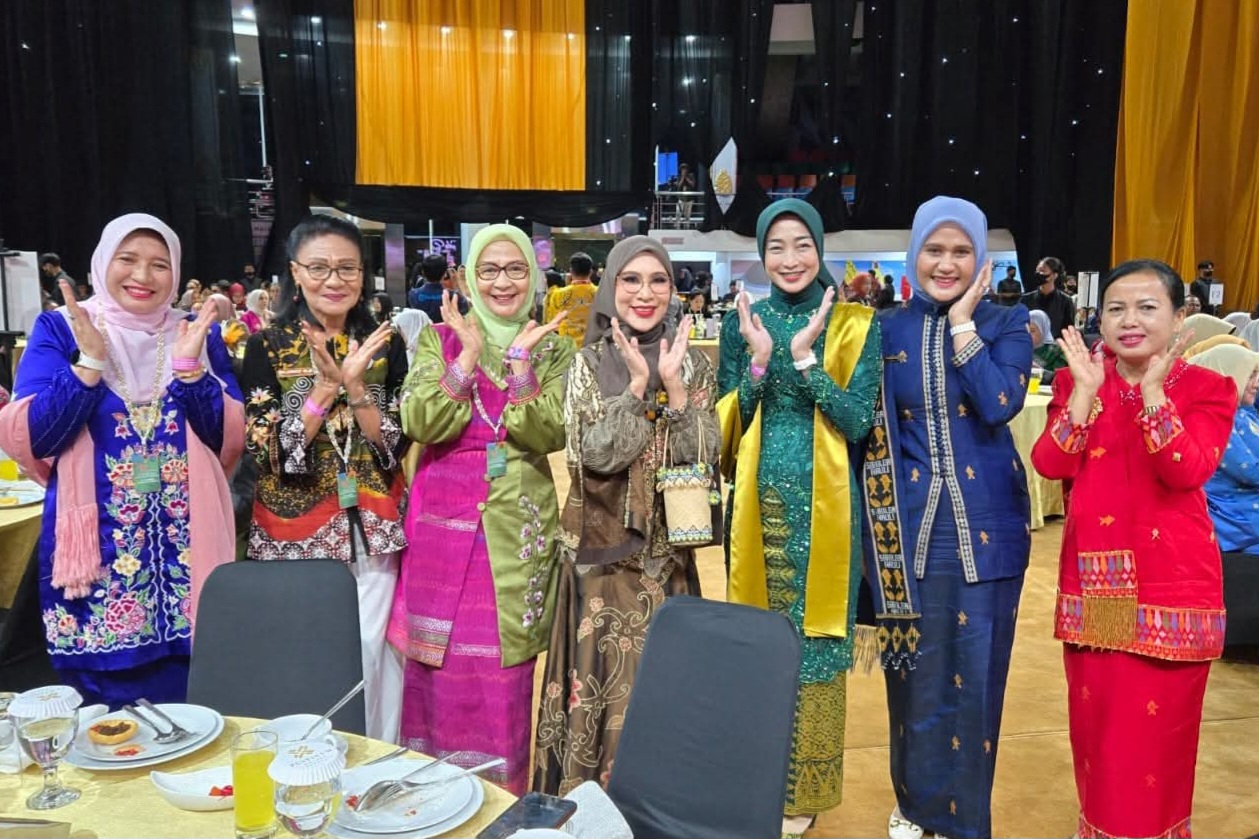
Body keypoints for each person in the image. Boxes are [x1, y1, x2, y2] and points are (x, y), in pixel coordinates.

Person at [0, 213, 243, 707]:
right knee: (110, 718)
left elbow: (225, 440)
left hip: (189, 545)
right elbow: (37, 437)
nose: (142, 276)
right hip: (100, 554)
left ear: (176, 273)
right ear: (102, 262)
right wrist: (87, 365)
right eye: (127, 260)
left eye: (159, 265)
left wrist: (191, 372)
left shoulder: (195, 332)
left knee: (198, 700)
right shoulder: (63, 329)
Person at [1031, 259, 1234, 839]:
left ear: (1179, 317)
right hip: (1097, 592)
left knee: (1159, 747)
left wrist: (1152, 395)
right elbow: (1050, 463)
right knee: (1100, 740)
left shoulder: (1208, 389)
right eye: (1116, 309)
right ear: (1099, 318)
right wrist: (1082, 395)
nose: (1130, 321)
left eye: (1148, 308)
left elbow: (1186, 470)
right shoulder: (1077, 381)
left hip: (1175, 589)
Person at [862, 197, 1032, 839]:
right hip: (906, 534)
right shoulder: (884, 329)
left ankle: (965, 823)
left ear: (981, 258)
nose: (946, 263)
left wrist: (963, 326)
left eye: (962, 251)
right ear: (915, 253)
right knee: (914, 682)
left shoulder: (1007, 323)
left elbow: (1000, 402)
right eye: (934, 249)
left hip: (989, 534)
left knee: (978, 680)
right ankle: (914, 809)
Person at [390, 225, 573, 794]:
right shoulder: (439, 338)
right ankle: (432, 804)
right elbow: (422, 421)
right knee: (436, 669)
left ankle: (499, 804)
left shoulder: (554, 347)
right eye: (488, 270)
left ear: (534, 276)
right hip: (441, 529)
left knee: (504, 675)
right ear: (468, 278)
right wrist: (466, 359)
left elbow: (548, 432)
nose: (502, 282)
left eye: (515, 269)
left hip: (516, 530)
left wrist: (520, 366)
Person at [716, 199, 881, 835]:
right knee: (758, 638)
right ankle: (754, 776)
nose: (790, 259)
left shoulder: (856, 324)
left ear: (820, 248)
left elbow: (857, 421)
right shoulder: (743, 322)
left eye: (802, 244)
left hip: (827, 508)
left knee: (815, 645)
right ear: (762, 254)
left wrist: (808, 360)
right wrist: (759, 361)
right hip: (755, 503)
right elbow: (728, 423)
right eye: (776, 247)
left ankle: (803, 790)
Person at [534, 235, 718, 796]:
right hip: (604, 565)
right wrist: (637, 391)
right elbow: (590, 456)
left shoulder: (691, 363)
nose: (645, 293)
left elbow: (705, 457)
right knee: (603, 691)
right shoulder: (588, 364)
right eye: (631, 280)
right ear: (611, 287)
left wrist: (677, 391)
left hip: (670, 561)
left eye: (658, 280)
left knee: (663, 691)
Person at [240, 214, 408, 742]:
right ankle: (304, 763)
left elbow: (394, 445)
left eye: (347, 268)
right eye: (319, 268)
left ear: (363, 274)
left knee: (374, 653)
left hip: (373, 525)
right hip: (292, 531)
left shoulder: (383, 344)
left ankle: (375, 758)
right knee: (304, 655)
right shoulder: (267, 346)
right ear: (295, 272)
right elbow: (268, 449)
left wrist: (356, 389)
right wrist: (323, 389)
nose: (334, 280)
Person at [1191, 344, 1259, 555]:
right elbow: (1251, 472)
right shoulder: (1217, 419)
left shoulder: (1243, 412)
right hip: (1238, 521)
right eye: (1251, 375)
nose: (1257, 383)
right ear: (1229, 373)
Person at [544, 251, 597, 345]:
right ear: (591, 272)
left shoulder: (557, 294)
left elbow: (551, 321)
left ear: (571, 271)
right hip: (593, 345)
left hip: (567, 346)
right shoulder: (601, 293)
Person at [1021, 256, 1076, 339]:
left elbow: (1069, 329)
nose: (1039, 274)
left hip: (1056, 345)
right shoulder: (1025, 299)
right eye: (1037, 271)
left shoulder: (1065, 301)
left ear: (1054, 275)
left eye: (1042, 271)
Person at [408, 253, 452, 322]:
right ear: (445, 273)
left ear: (423, 272)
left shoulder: (413, 294)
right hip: (446, 329)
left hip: (422, 328)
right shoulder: (453, 296)